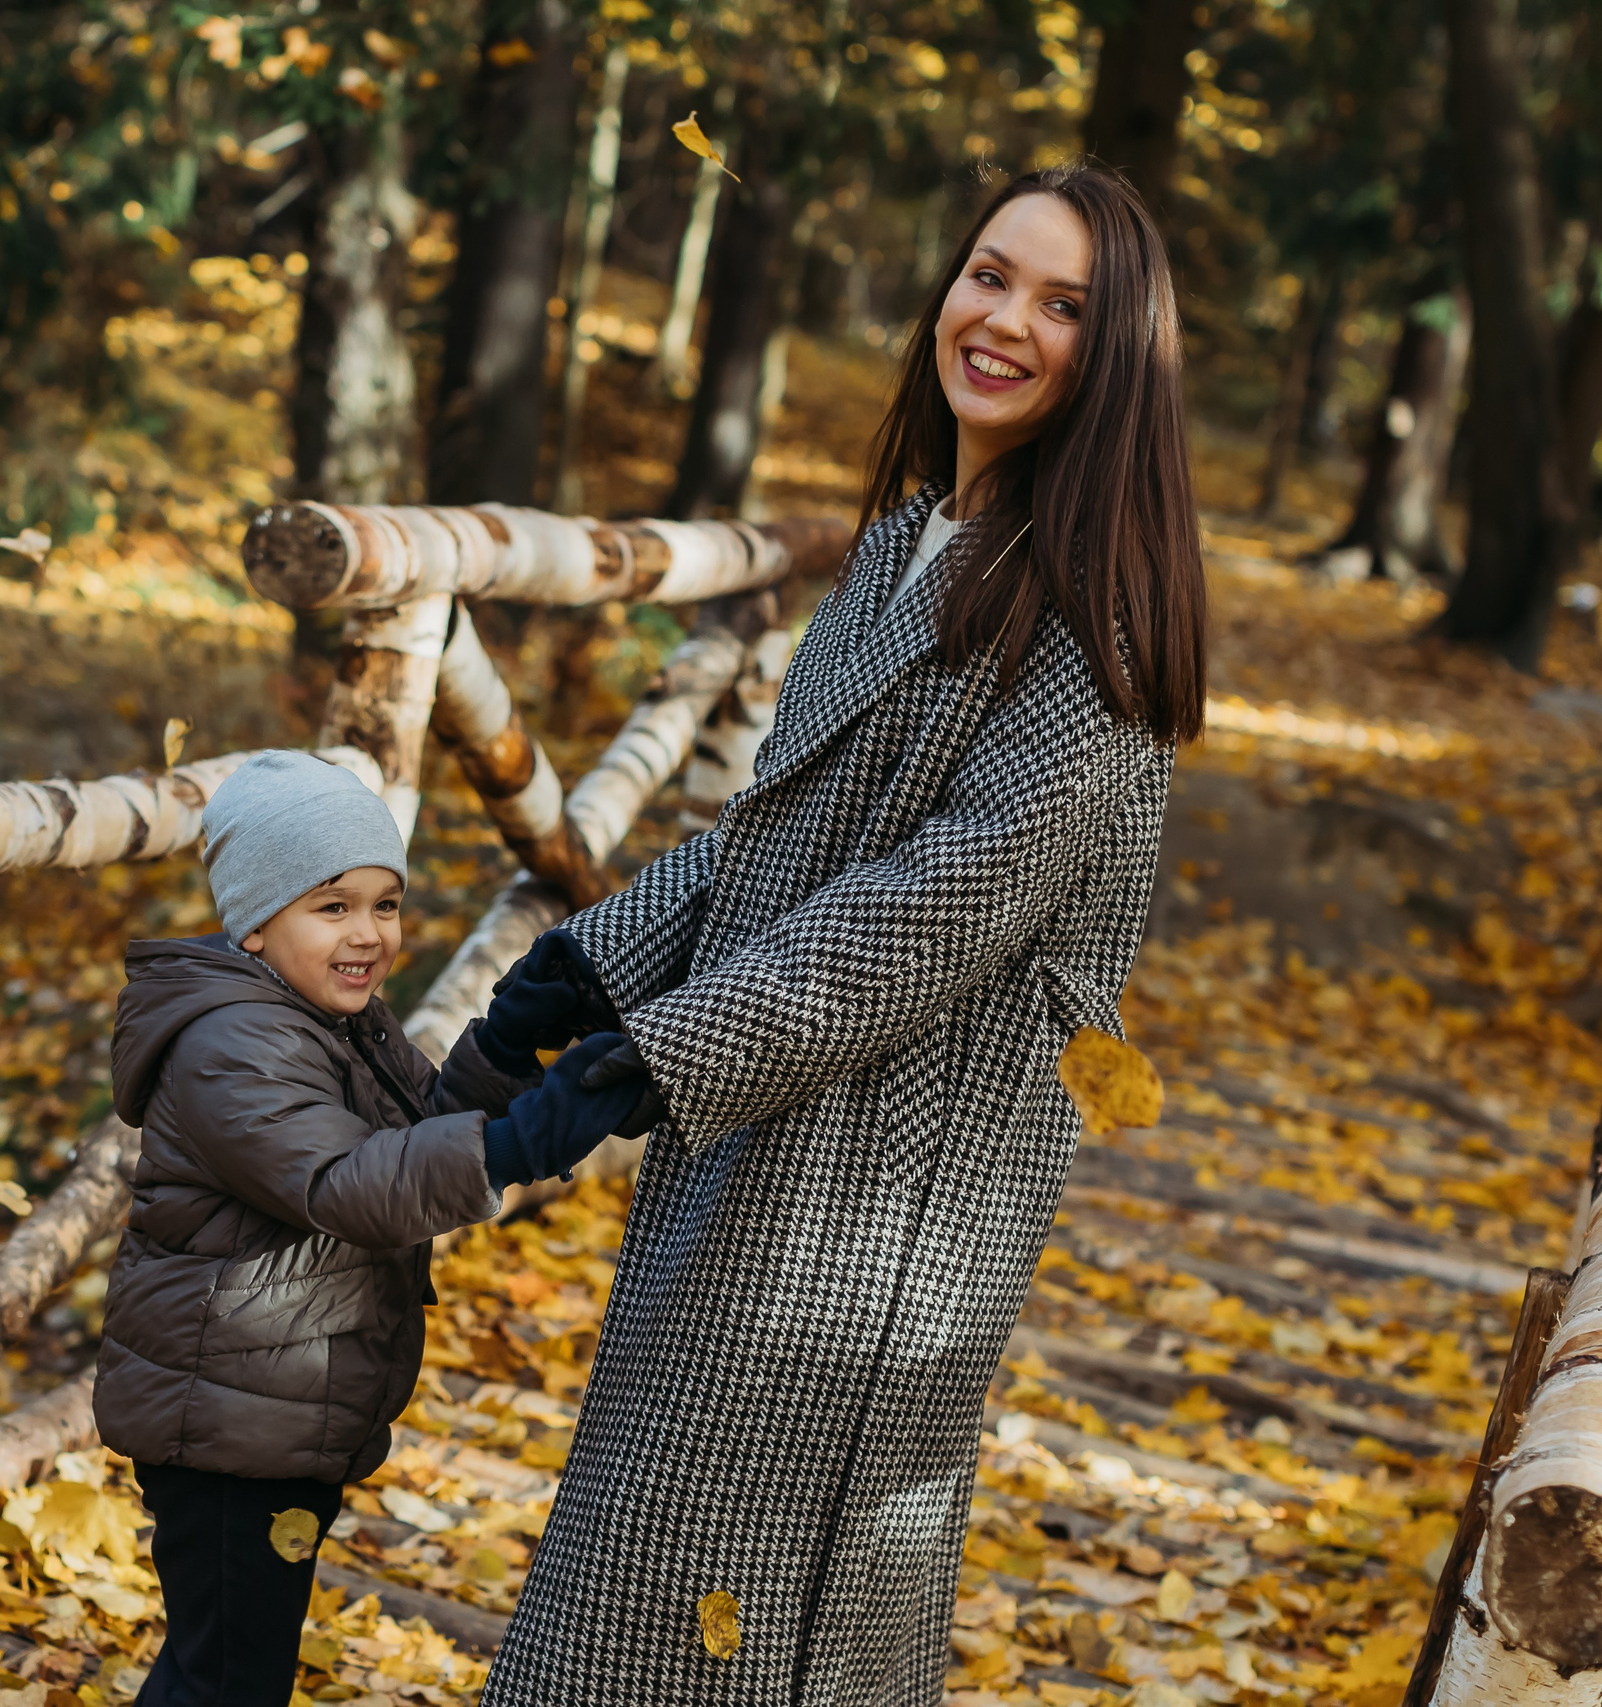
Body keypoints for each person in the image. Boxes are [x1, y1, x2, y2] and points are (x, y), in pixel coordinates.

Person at [476, 160, 1207, 1706]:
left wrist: (652, 1059)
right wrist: (590, 960)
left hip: (882, 1213)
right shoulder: (904, 547)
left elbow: (930, 907)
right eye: (989, 274)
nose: (1003, 319)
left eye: (1064, 304)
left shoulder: (1095, 627)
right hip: (773, 1128)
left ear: (1120, 358)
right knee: (645, 1597)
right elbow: (782, 834)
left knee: (741, 1626)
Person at [95, 749, 647, 1706]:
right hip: (221, 1427)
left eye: (384, 903)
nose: (368, 934)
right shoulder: (233, 1045)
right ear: (256, 923)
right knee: (228, 1676)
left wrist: (507, 1042)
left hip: (272, 1410)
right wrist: (518, 1142)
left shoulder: (329, 1016)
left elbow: (411, 1130)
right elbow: (351, 1182)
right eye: (332, 906)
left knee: (222, 1660)